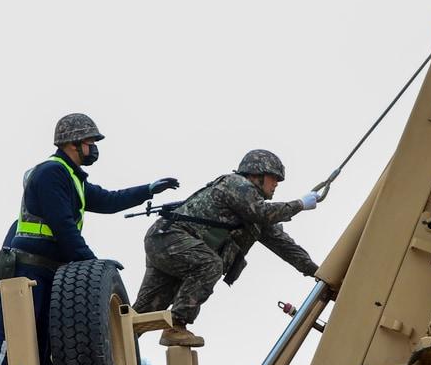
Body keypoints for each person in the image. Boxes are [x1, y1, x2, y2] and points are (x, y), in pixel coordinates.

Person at [0, 113, 178, 365]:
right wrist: (94, 267)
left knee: (44, 344)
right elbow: (63, 227)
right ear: (74, 144)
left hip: (49, 272)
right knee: (14, 340)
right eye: (90, 142)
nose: (94, 148)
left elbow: (109, 200)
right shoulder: (50, 173)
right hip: (27, 269)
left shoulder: (72, 178)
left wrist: (148, 190)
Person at [134, 149, 320, 348]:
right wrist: (300, 204)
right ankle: (176, 327)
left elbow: (284, 246)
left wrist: (317, 271)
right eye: (274, 178)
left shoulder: (252, 213)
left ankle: (108, 342)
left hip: (167, 242)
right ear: (257, 174)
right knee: (210, 265)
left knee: (143, 314)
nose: (276, 184)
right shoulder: (237, 184)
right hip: (170, 239)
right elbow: (263, 213)